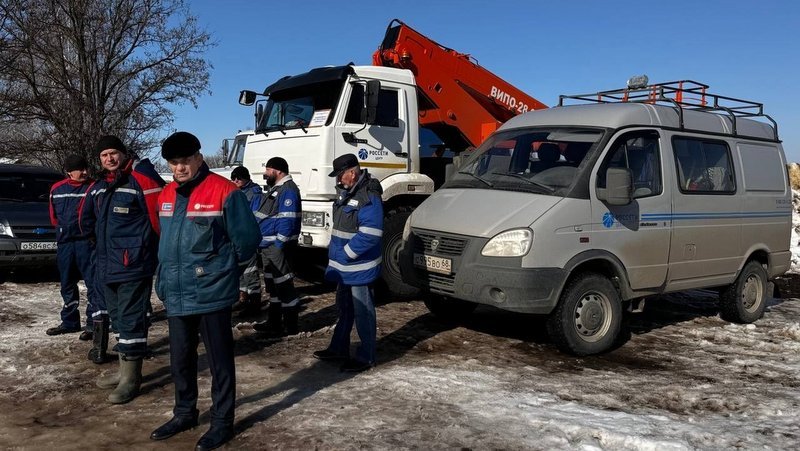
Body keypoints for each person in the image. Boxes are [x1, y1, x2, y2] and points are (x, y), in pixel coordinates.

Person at [150, 132, 260, 450]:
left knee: (219, 361)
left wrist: (224, 272)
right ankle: (184, 412)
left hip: (211, 292)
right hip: (177, 291)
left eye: (186, 161)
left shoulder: (225, 192)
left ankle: (222, 421)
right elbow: (166, 241)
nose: (180, 168)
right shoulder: (166, 194)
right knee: (180, 360)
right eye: (174, 162)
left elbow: (247, 240)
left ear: (199, 158)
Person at [88, 135, 165, 404]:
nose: (109, 158)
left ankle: (132, 379)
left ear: (122, 153)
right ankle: (123, 371)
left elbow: (160, 220)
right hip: (107, 265)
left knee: (132, 319)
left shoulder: (140, 179)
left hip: (133, 264)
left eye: (113, 153)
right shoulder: (102, 185)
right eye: (104, 155)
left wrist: (153, 255)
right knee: (118, 318)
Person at [313, 154, 383, 372]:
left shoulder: (368, 196)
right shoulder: (347, 193)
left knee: (363, 312)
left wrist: (346, 253)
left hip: (358, 268)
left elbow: (371, 234)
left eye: (340, 176)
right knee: (344, 309)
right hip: (345, 267)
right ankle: (338, 348)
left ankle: (366, 356)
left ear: (352, 173)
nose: (338, 180)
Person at [46, 154, 109, 364]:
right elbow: (53, 216)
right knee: (67, 282)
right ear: (68, 171)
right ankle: (70, 321)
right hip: (65, 243)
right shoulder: (56, 189)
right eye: (78, 169)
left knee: (93, 283)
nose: (83, 172)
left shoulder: (93, 187)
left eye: (85, 168)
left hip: (86, 242)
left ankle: (93, 323)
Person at [252, 157, 302, 337]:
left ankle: (290, 326)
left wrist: (279, 244)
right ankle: (274, 322)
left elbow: (287, 221)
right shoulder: (276, 189)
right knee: (272, 286)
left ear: (278, 171)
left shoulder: (288, 190)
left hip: (276, 247)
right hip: (267, 246)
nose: (265, 174)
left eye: (268, 170)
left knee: (284, 284)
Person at [230, 166, 263, 315]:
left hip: (248, 236)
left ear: (246, 178)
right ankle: (242, 297)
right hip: (238, 236)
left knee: (250, 270)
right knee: (240, 270)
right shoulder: (237, 192)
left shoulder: (254, 193)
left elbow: (254, 216)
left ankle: (255, 302)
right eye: (234, 178)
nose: (236, 181)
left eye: (239, 178)